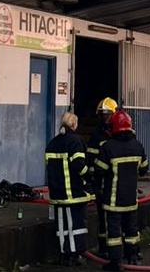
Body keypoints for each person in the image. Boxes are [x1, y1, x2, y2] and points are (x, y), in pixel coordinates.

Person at [94, 110, 148, 271]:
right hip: (131, 199)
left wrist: (96, 188)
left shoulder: (108, 147)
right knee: (131, 229)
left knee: (114, 231)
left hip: (113, 200)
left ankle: (115, 262)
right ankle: (133, 257)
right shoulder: (137, 145)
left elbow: (98, 170)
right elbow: (144, 169)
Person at [45, 111, 93, 266]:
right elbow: (79, 165)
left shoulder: (52, 143)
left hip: (57, 193)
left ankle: (63, 254)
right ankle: (73, 255)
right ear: (74, 124)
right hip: (73, 193)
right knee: (74, 225)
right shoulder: (75, 141)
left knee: (62, 226)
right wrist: (89, 177)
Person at [86, 96, 118, 254]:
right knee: (103, 217)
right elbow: (91, 159)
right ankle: (104, 247)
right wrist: (93, 182)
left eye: (107, 114)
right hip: (102, 183)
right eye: (102, 115)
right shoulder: (96, 135)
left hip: (118, 183)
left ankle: (122, 249)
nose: (105, 118)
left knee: (119, 218)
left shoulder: (120, 134)